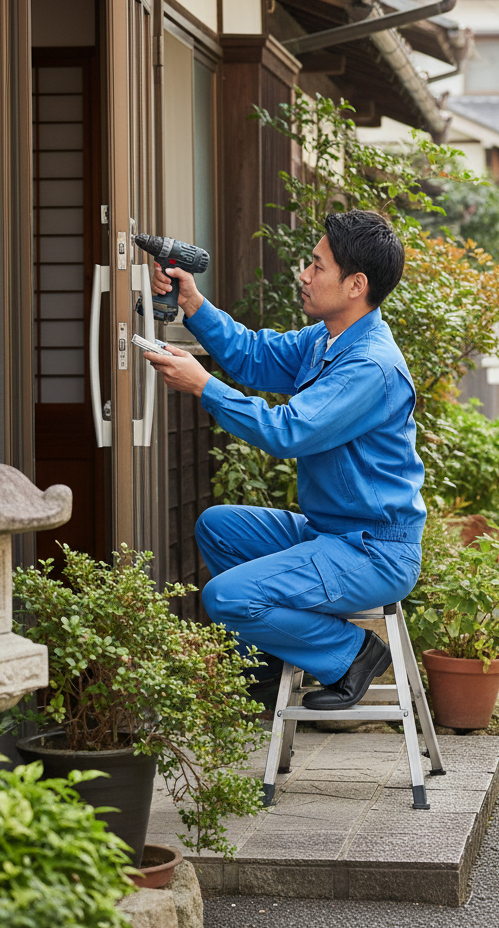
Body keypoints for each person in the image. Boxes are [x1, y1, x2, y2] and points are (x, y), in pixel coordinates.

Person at [144, 210, 426, 711]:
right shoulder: (326, 340)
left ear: (355, 284)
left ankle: (352, 654)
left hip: (374, 551)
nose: (304, 274)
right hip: (330, 533)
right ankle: (275, 651)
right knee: (218, 527)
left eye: (317, 266)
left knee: (226, 598)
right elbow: (253, 355)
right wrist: (192, 303)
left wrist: (204, 386)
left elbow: (289, 432)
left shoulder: (369, 366)